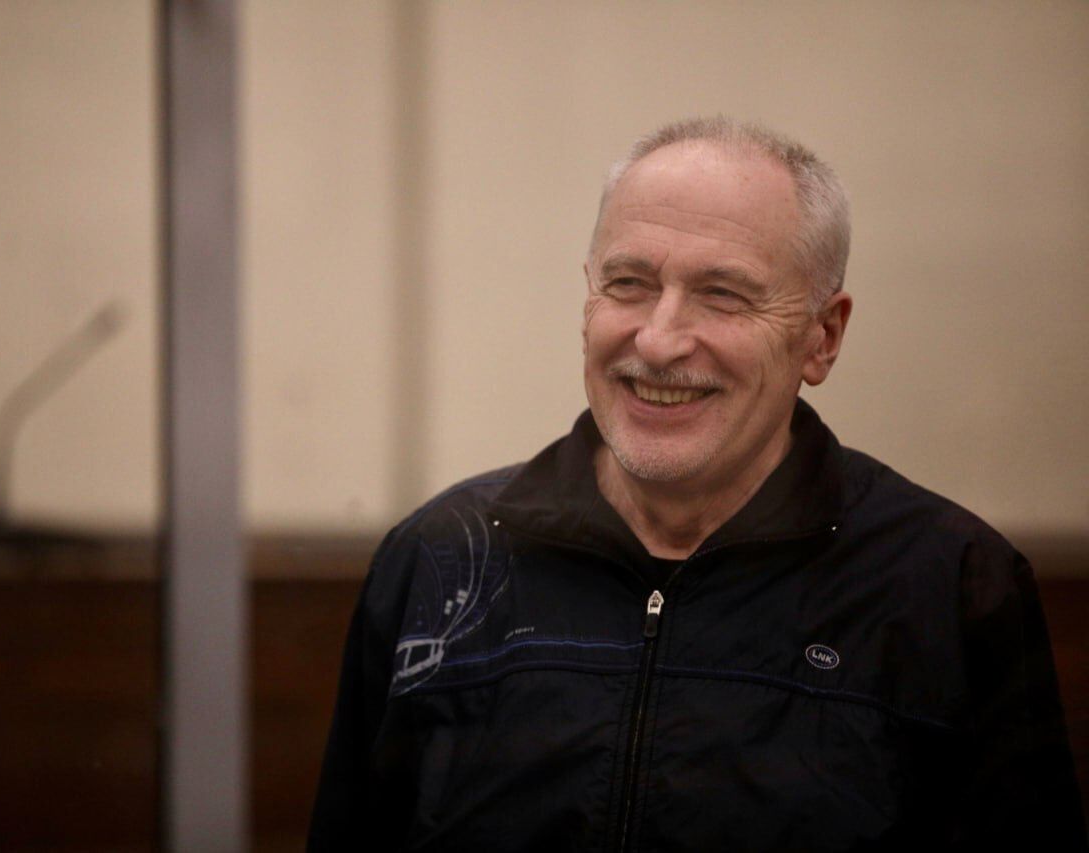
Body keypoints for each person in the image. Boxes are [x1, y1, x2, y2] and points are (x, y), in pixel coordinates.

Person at [307, 117, 1086, 851]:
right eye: (629, 283)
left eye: (723, 294)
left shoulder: (947, 585)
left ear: (822, 336)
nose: (658, 339)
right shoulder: (440, 560)